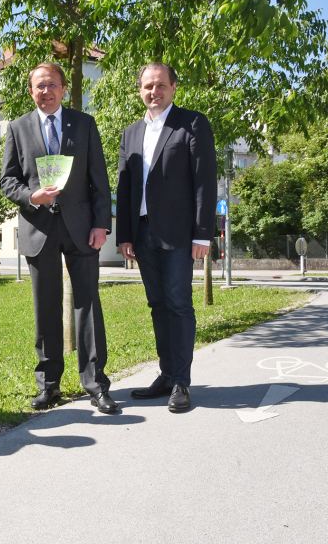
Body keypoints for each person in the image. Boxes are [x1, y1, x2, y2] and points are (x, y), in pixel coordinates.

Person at [0, 62, 118, 414]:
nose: (46, 91)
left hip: (82, 229)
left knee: (88, 305)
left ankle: (96, 384)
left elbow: (100, 179)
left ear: (63, 89)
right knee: (45, 308)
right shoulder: (17, 128)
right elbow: (7, 180)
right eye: (39, 86)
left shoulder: (84, 125)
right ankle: (48, 385)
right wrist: (30, 197)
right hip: (39, 228)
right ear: (30, 91)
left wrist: (102, 224)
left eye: (52, 85)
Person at [116, 62, 217, 413]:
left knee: (178, 305)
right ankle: (165, 373)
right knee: (157, 305)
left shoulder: (192, 123)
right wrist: (124, 235)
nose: (153, 92)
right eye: (147, 86)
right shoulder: (130, 133)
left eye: (160, 85)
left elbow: (205, 181)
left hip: (178, 234)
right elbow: (125, 187)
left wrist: (203, 233)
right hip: (142, 234)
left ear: (173, 87)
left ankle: (181, 382)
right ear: (139, 90)